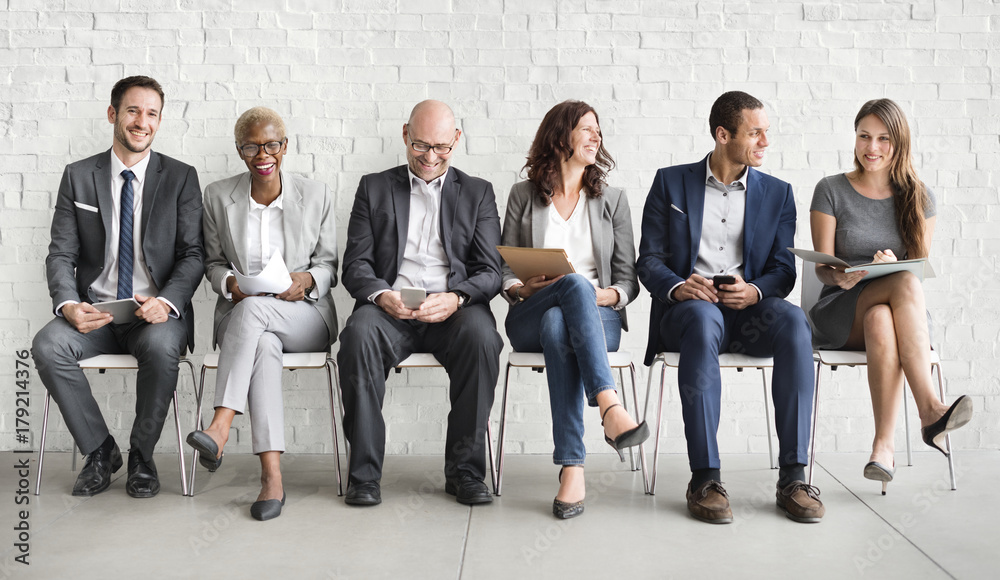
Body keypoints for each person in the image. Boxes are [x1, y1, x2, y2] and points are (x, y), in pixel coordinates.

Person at [637, 91, 823, 524]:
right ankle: (705, 477)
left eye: (766, 132)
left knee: (795, 320)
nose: (764, 142)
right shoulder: (671, 182)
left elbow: (782, 269)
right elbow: (648, 259)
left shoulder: (778, 193)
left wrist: (755, 291)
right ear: (723, 135)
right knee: (703, 320)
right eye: (755, 132)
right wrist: (679, 286)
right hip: (689, 313)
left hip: (750, 314)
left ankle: (793, 478)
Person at [31, 76, 204, 498]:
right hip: (97, 313)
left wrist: (167, 302)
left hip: (153, 316)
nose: (141, 122)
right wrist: (68, 304)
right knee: (48, 346)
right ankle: (100, 450)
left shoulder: (181, 177)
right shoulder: (79, 176)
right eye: (132, 110)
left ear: (159, 122)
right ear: (113, 114)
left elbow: (193, 254)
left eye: (151, 114)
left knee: (163, 349)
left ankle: (141, 455)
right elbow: (61, 255)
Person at [338, 100, 503, 507]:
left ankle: (464, 473)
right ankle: (364, 476)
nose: (431, 158)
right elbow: (355, 265)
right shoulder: (373, 187)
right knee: (357, 337)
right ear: (405, 135)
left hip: (454, 308)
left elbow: (491, 270)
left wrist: (457, 297)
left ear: (457, 140)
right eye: (421, 146)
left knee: (483, 339)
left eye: (442, 148)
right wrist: (382, 295)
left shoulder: (478, 192)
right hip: (390, 306)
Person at [809, 98, 973, 494]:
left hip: (898, 316)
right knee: (898, 287)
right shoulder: (831, 189)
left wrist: (894, 262)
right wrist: (841, 276)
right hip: (841, 310)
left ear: (899, 143)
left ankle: (883, 448)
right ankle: (931, 409)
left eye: (883, 138)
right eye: (864, 136)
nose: (872, 147)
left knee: (883, 316)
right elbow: (821, 267)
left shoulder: (919, 196)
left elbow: (918, 269)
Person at [185, 107, 338, 521]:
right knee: (263, 345)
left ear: (285, 146)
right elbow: (213, 263)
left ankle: (219, 426)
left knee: (256, 314)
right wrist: (228, 284)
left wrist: (305, 280)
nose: (262, 153)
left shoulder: (317, 193)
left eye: (272, 144)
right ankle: (272, 477)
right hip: (246, 321)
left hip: (304, 316)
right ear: (239, 150)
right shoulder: (218, 196)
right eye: (251, 146)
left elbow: (330, 265)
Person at [500, 100, 647, 519]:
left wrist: (600, 294)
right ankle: (609, 407)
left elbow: (626, 281)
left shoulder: (612, 201)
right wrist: (521, 286)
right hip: (531, 309)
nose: (595, 136)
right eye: (585, 128)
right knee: (559, 303)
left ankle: (572, 466)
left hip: (597, 317)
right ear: (559, 135)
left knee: (560, 320)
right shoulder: (523, 195)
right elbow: (502, 268)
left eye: (598, 129)